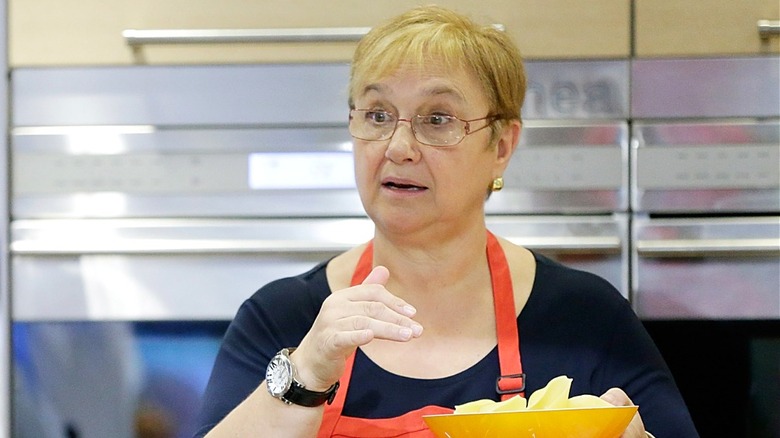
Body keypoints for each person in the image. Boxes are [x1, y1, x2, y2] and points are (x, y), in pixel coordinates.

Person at [194, 5, 699, 438]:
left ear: (501, 147)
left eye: (437, 119)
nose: (398, 147)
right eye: (376, 114)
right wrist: (306, 371)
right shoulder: (283, 316)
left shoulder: (584, 319)